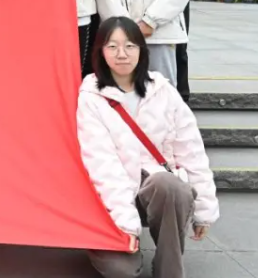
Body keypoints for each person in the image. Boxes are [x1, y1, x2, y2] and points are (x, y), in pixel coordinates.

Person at [77, 16, 218, 278]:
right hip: (110, 200)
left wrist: (204, 211)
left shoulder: (163, 91)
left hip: (155, 190)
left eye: (130, 46)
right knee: (121, 270)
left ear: (141, 50)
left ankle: (169, 270)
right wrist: (127, 228)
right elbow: (103, 166)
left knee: (169, 184)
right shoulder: (90, 98)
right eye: (112, 46)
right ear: (100, 52)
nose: (122, 54)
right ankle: (119, 246)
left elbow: (192, 152)